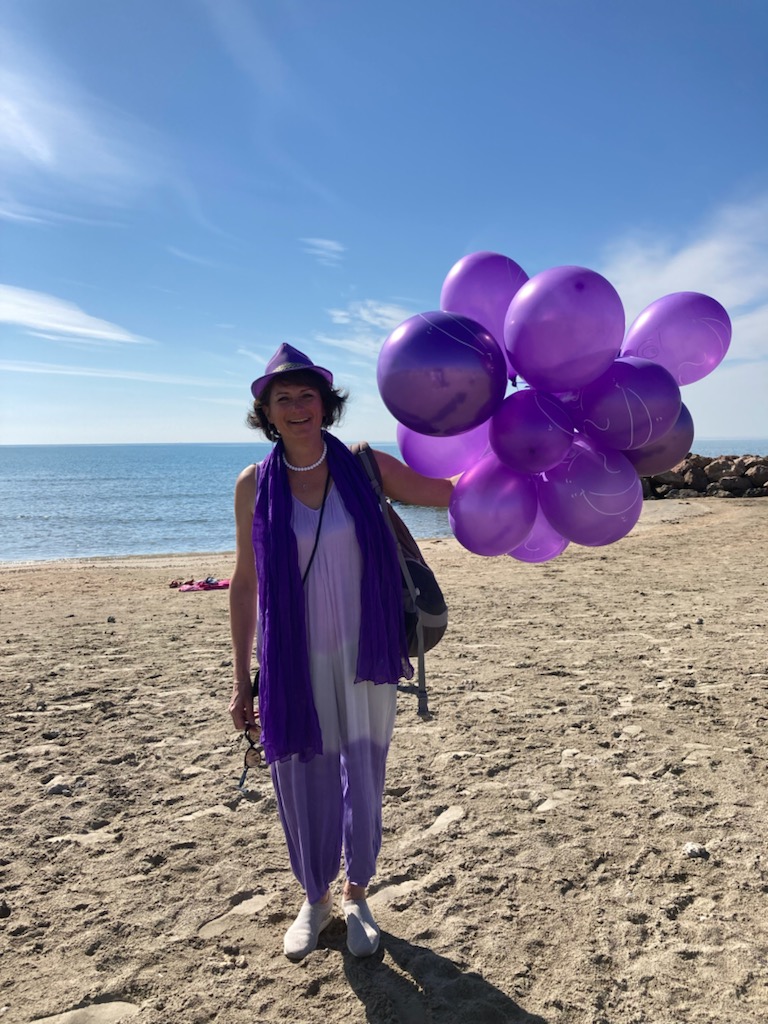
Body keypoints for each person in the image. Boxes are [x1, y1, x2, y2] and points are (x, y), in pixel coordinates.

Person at [228, 343, 454, 962]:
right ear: (266, 412)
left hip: (366, 652)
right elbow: (245, 583)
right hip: (292, 661)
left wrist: (523, 468)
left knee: (364, 773)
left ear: (326, 405)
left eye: (308, 396)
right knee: (301, 779)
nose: (298, 407)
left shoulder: (365, 465)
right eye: (284, 399)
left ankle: (357, 895)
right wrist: (241, 676)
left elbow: (447, 493)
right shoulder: (254, 484)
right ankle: (314, 896)